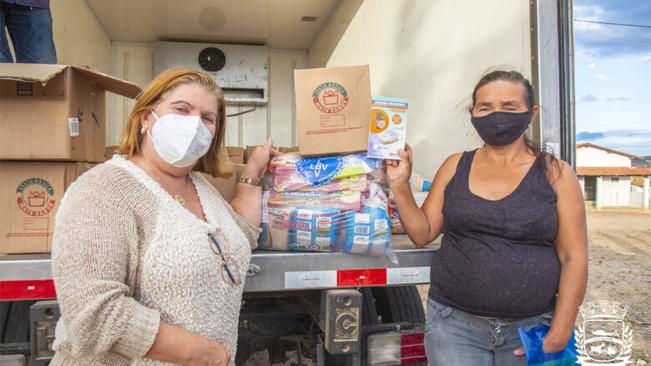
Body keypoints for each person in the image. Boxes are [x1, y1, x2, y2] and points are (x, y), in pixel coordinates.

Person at [51, 67, 274, 366]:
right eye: (181, 110)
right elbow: (93, 316)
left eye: (207, 118)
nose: (193, 124)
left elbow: (239, 235)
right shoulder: (103, 188)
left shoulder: (199, 185)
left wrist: (252, 171)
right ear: (146, 118)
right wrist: (207, 355)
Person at [386, 70, 588, 365]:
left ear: (530, 113)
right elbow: (423, 232)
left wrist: (561, 328)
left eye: (509, 107)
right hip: (454, 327)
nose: (496, 116)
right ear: (473, 113)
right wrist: (400, 183)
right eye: (485, 107)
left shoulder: (557, 174)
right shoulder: (456, 166)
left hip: (529, 329)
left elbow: (574, 257)